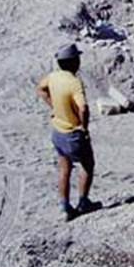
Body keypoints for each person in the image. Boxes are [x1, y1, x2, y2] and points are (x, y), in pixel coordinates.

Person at [36, 43, 100, 221]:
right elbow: (84, 108)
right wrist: (84, 127)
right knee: (87, 165)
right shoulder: (74, 82)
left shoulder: (53, 76)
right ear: (74, 62)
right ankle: (83, 202)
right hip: (73, 133)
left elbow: (41, 89)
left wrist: (54, 106)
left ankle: (65, 206)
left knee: (64, 169)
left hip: (58, 131)